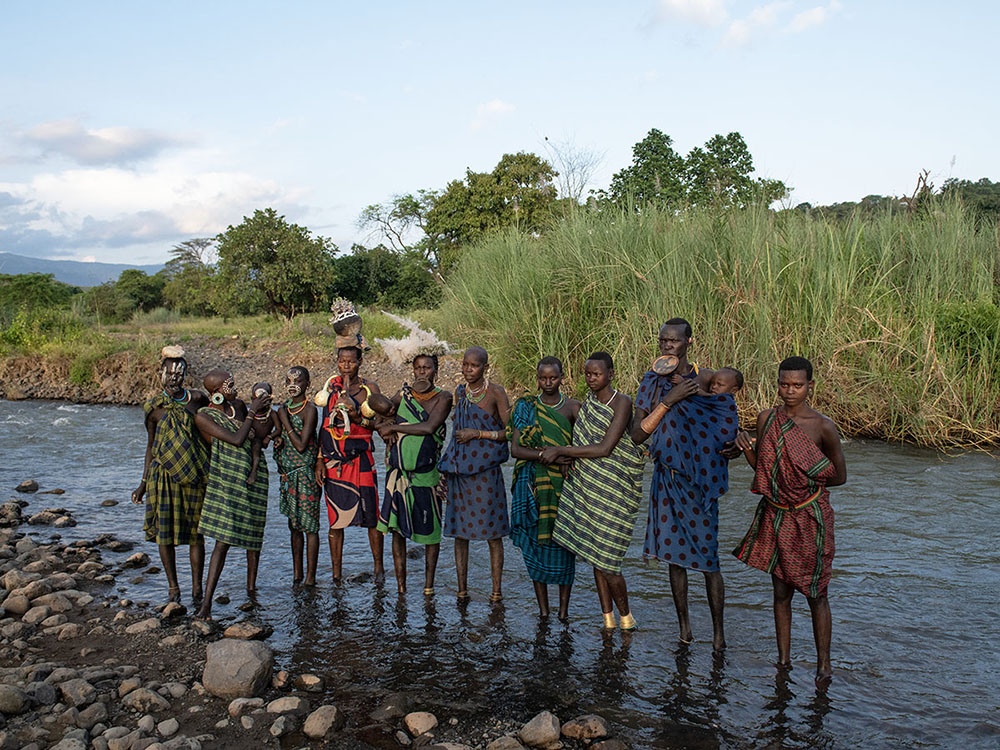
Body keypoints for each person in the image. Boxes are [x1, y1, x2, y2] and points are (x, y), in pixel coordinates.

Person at [732, 356, 846, 683]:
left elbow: (838, 476)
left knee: (815, 592)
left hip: (810, 517)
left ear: (811, 386)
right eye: (784, 384)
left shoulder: (823, 426)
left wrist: (804, 479)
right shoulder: (768, 418)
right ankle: (783, 662)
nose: (790, 391)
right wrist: (746, 449)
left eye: (797, 385)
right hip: (777, 515)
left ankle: (824, 666)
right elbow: (765, 471)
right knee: (781, 592)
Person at [631, 318, 740, 650]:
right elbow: (637, 435)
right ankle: (685, 629)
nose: (667, 346)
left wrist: (734, 445)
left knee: (708, 560)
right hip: (669, 479)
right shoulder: (651, 382)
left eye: (674, 341)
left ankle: (719, 635)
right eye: (662, 340)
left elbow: (724, 419)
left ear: (689, 342)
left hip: (701, 483)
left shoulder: (708, 379)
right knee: (674, 558)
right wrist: (669, 400)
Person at [548, 352, 644, 630]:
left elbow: (605, 448)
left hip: (614, 489)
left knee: (610, 560)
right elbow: (583, 441)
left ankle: (627, 617)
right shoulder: (587, 404)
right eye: (587, 374)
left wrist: (562, 451)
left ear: (610, 374)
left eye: (597, 374)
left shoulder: (622, 402)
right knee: (596, 555)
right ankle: (608, 619)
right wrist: (569, 459)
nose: (591, 379)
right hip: (589, 488)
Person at [131, 346, 209, 604]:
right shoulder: (153, 408)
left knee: (196, 533)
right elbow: (151, 446)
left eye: (179, 375)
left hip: (195, 475)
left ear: (186, 376)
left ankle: (197, 589)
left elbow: (216, 421)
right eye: (169, 374)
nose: (174, 379)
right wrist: (143, 483)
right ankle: (173, 587)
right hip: (162, 476)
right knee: (165, 533)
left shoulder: (196, 400)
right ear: (159, 375)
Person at [193, 370, 272, 619]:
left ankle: (251, 589)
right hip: (226, 479)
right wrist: (251, 413)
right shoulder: (204, 416)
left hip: (253, 476)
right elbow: (237, 439)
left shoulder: (237, 405)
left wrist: (263, 418)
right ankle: (206, 604)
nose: (234, 388)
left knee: (253, 534)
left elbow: (255, 435)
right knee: (222, 541)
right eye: (229, 385)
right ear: (216, 392)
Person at [507, 356, 581, 620]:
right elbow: (516, 449)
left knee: (563, 547)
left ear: (562, 377)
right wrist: (548, 456)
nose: (548, 383)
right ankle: (543, 611)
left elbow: (583, 447)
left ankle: (563, 611)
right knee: (534, 547)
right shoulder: (526, 407)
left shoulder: (573, 408)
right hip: (531, 485)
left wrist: (563, 456)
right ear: (536, 378)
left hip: (563, 488)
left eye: (553, 378)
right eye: (543, 378)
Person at [376, 354, 454, 595]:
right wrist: (382, 428)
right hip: (397, 475)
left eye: (427, 368)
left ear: (435, 372)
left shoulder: (444, 397)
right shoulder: (404, 395)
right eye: (418, 368)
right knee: (396, 531)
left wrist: (395, 427)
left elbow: (429, 427)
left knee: (431, 532)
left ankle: (428, 587)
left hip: (427, 474)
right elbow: (382, 413)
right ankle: (401, 588)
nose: (422, 373)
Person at [438, 346, 511, 602]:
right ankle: (462, 589)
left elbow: (510, 433)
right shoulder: (460, 392)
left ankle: (496, 591)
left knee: (493, 534)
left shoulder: (496, 393)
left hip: (486, 473)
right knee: (460, 533)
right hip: (460, 471)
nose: (468, 370)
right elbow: (456, 434)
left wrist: (478, 434)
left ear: (485, 368)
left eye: (474, 366)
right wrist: (445, 470)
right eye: (465, 364)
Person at [315, 346, 385, 583]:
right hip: (334, 462)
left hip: (362, 460)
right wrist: (319, 460)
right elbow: (324, 425)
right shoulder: (330, 387)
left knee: (372, 517)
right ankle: (336, 574)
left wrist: (356, 417)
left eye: (351, 362)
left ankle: (378, 569)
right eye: (342, 361)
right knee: (336, 520)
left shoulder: (369, 389)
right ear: (337, 362)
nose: (346, 366)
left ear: (360, 362)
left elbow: (380, 425)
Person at [273, 367, 320, 586]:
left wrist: (285, 421)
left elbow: (302, 445)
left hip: (306, 473)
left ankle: (310, 577)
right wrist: (278, 436)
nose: (293, 384)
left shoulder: (309, 409)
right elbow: (278, 435)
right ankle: (296, 574)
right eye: (289, 380)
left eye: (298, 381)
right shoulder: (283, 408)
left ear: (307, 385)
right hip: (288, 475)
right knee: (294, 526)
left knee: (310, 526)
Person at [246, 382, 278, 486]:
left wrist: (270, 437)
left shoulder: (272, 414)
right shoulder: (251, 413)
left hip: (259, 441)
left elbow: (279, 429)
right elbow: (244, 424)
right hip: (249, 439)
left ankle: (254, 472)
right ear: (252, 399)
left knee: (257, 444)